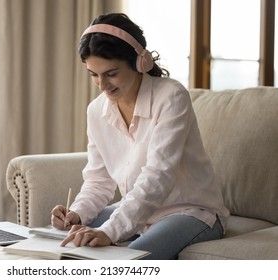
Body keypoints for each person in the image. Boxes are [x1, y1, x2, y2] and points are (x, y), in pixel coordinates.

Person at [51, 13, 229, 260]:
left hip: (190, 213)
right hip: (141, 212)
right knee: (66, 241)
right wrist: (77, 213)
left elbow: (158, 176)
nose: (102, 85)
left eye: (111, 73)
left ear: (138, 62)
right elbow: (98, 180)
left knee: (127, 261)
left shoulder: (171, 97)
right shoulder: (96, 110)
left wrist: (110, 231)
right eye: (93, 74)